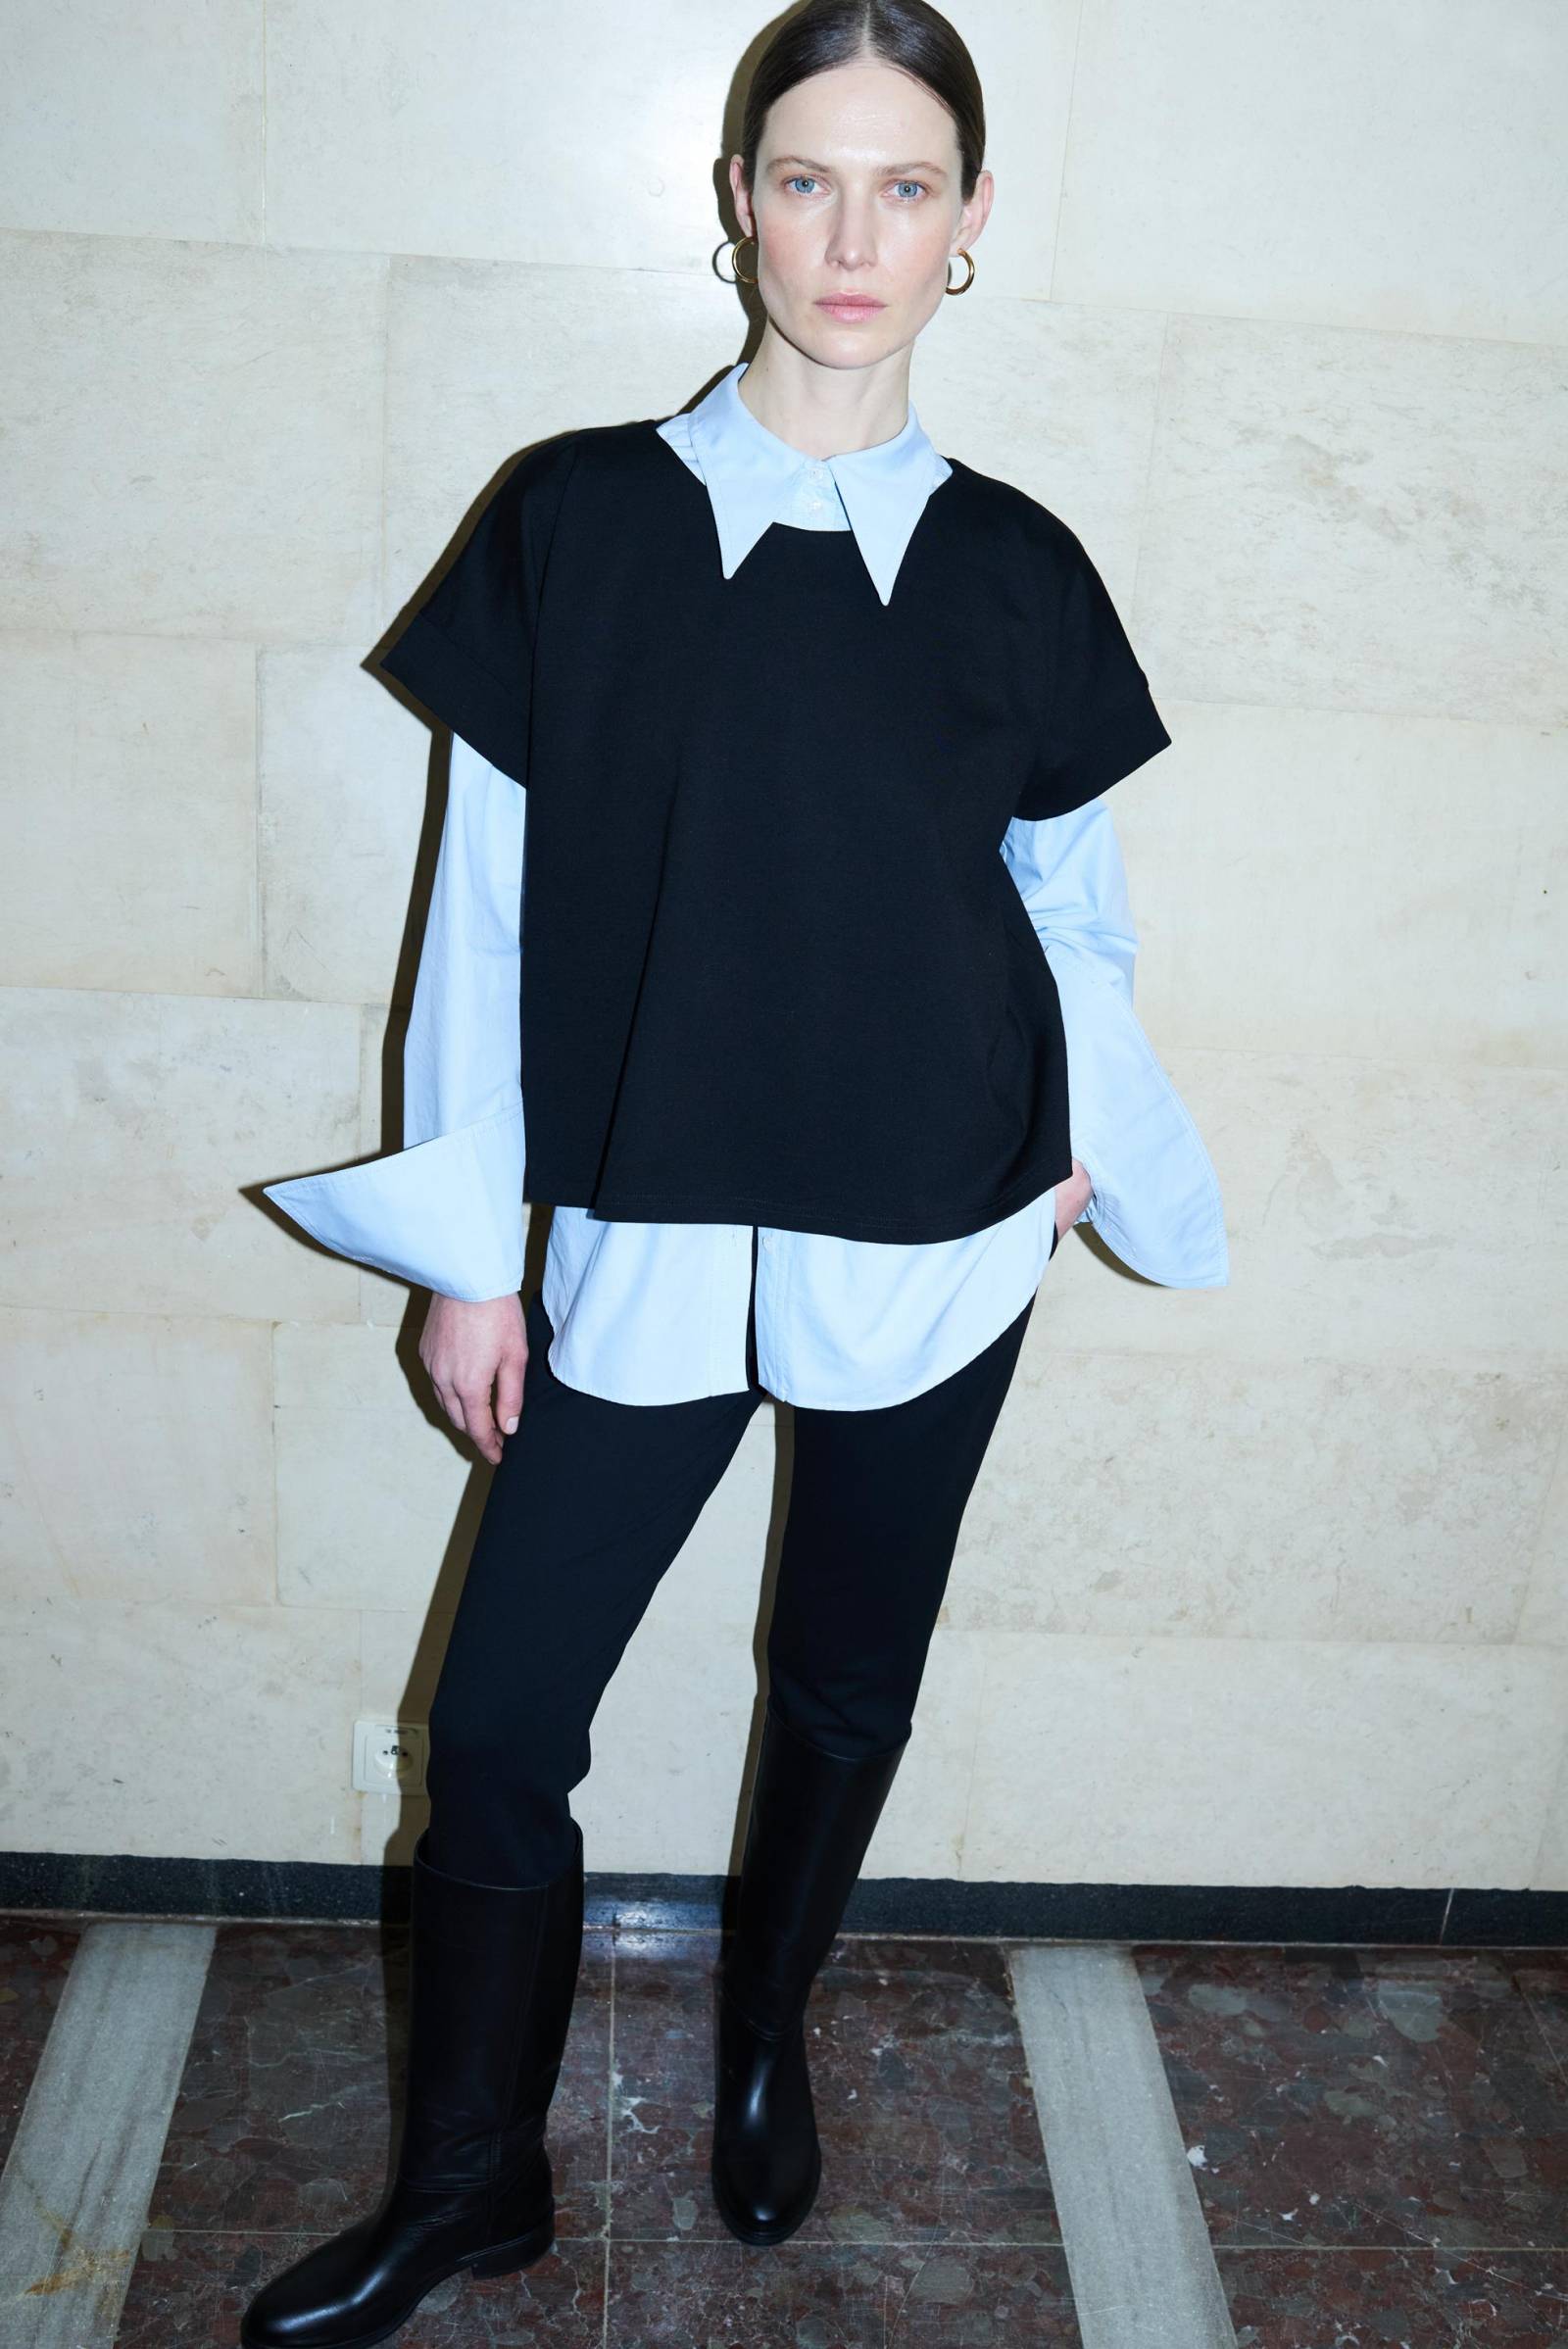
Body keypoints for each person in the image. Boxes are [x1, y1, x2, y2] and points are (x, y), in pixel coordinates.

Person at [246, 5, 1226, 2342]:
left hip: (941, 1223)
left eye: (903, 185)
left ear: (967, 222)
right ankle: (471, 2179)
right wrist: (468, 1254)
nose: (849, 235)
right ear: (734, 200)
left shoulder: (1017, 567)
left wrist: (1075, 1149)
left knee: (843, 1683)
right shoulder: (573, 520)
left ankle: (765, 2036)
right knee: (499, 1719)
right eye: (805, 177)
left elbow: (1071, 911)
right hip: (646, 1225)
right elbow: (479, 918)